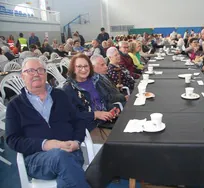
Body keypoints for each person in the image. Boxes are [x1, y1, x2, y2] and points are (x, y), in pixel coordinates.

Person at [5, 57, 90, 188]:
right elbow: (12, 140)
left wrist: (77, 142)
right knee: (61, 157)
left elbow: (78, 120)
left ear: (45, 74)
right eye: (30, 71)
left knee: (67, 173)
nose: (36, 74)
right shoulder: (14, 106)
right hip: (37, 159)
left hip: (71, 150)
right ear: (23, 76)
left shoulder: (61, 95)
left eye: (40, 70)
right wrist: (46, 144)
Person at [63, 54, 119, 143]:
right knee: (120, 139)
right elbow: (71, 115)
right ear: (73, 69)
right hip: (90, 128)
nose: (84, 69)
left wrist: (112, 109)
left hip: (106, 121)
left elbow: (103, 101)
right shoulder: (68, 89)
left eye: (86, 66)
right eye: (79, 66)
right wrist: (95, 114)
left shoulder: (95, 81)